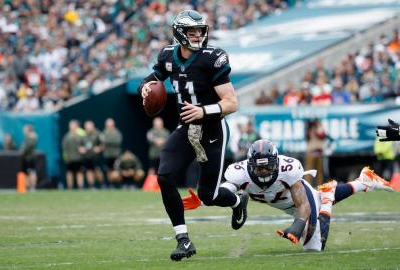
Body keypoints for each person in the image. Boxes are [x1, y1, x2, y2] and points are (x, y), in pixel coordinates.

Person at [140, 10, 244, 261]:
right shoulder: (168, 55)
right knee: (164, 175)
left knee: (209, 196)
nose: (197, 36)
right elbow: (153, 78)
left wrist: (202, 110)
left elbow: (231, 103)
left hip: (212, 129)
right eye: (192, 32)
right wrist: (144, 88)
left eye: (200, 31)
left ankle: (237, 202)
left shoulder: (213, 58)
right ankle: (183, 240)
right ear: (179, 34)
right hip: (186, 128)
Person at [182, 139, 394, 251]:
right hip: (287, 205)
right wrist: (204, 199)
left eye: (268, 167)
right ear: (249, 165)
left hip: (301, 204)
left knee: (314, 248)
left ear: (276, 162)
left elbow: (303, 205)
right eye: (259, 168)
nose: (263, 172)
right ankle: (361, 182)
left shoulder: (288, 169)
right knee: (320, 204)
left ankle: (327, 201)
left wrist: (297, 227)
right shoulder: (238, 172)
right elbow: (226, 191)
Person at [62, 120, 85, 189]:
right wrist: (66, 157)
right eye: (71, 125)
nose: (72, 127)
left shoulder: (80, 136)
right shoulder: (66, 137)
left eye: (73, 125)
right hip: (70, 158)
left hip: (78, 158)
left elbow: (84, 145)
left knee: (79, 172)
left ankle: (80, 186)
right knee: (69, 172)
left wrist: (83, 149)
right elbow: (64, 148)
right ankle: (70, 187)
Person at [305, 119, 326, 186]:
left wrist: (318, 126)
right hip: (311, 152)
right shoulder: (310, 129)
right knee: (309, 171)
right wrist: (311, 126)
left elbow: (321, 135)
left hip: (319, 152)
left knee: (319, 171)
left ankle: (320, 185)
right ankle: (307, 185)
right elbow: (308, 136)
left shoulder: (320, 129)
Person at [101, 118, 122, 185]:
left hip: (116, 154)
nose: (109, 125)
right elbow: (102, 141)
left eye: (110, 124)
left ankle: (118, 184)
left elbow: (117, 141)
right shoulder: (104, 132)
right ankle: (111, 184)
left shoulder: (117, 132)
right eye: (107, 124)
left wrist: (107, 141)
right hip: (107, 154)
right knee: (108, 170)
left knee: (116, 170)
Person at [20, 124, 38, 190]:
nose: (24, 131)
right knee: (27, 173)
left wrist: (22, 151)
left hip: (29, 157)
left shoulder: (31, 137)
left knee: (31, 172)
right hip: (27, 157)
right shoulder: (28, 137)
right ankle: (28, 186)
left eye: (25, 129)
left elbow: (27, 147)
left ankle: (32, 186)